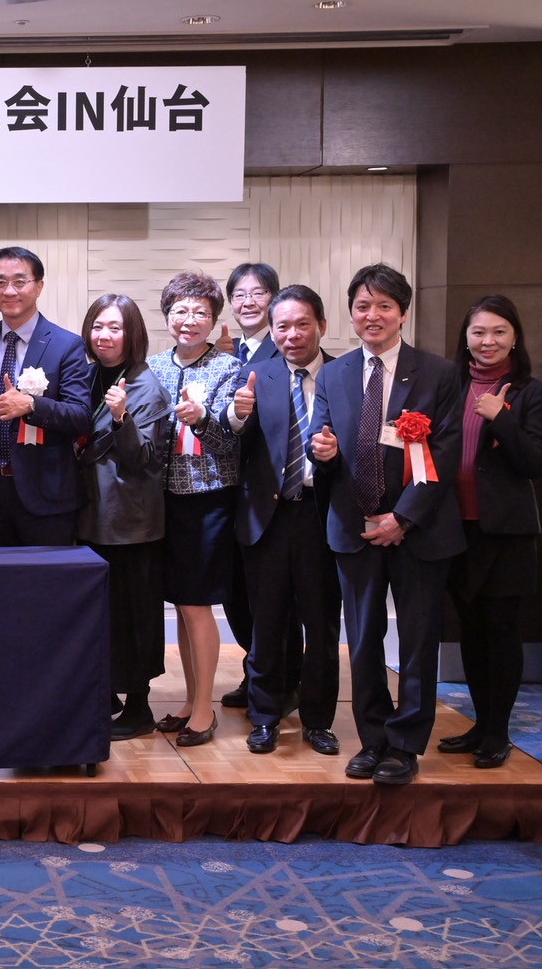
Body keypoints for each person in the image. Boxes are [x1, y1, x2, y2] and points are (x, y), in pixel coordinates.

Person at [310, 262, 465, 786]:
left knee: (418, 641)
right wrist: (322, 451)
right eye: (362, 306)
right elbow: (323, 441)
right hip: (354, 526)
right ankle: (373, 738)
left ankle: (405, 745)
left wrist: (402, 518)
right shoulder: (333, 373)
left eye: (383, 306)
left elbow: (445, 452)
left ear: (402, 313)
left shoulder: (438, 373)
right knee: (362, 641)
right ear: (351, 313)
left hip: (418, 530)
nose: (372, 315)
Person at [225, 285, 342, 756]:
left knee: (322, 626)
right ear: (271, 331)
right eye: (283, 326)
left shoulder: (344, 375)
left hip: (322, 517)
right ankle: (265, 717)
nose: (292, 335)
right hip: (267, 519)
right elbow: (235, 438)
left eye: (302, 324)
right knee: (267, 625)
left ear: (321, 326)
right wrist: (236, 416)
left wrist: (335, 456)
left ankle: (319, 721)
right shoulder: (256, 375)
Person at [438, 294, 542, 768]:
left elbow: (535, 462)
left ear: (514, 337)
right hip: (455, 527)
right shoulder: (449, 385)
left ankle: (498, 732)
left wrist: (501, 417)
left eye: (499, 332)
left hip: (505, 533)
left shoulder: (532, 392)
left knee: (501, 629)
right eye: (479, 332)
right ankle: (479, 723)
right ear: (465, 337)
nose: (488, 341)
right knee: (471, 629)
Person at [146, 270, 242, 748]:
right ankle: (190, 700)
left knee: (196, 604)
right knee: (181, 605)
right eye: (180, 311)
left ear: (214, 319)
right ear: (167, 316)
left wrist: (203, 419)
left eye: (200, 312)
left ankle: (205, 709)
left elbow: (231, 443)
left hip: (207, 500)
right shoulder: (152, 367)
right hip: (162, 500)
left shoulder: (229, 369)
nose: (189, 320)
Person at [75, 294, 171, 739]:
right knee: (104, 612)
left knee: (136, 615)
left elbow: (143, 458)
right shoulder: (89, 375)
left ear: (132, 334)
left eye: (115, 327)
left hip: (131, 522)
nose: (105, 335)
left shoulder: (145, 386)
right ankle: (109, 692)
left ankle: (139, 706)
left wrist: (121, 418)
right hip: (93, 514)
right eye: (98, 326)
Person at [0, 246, 91, 546]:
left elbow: (81, 416)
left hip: (46, 494)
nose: (9, 290)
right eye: (0, 282)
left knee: (48, 575)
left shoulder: (66, 345)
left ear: (39, 286)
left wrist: (32, 405)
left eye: (20, 281)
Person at [215, 261, 282, 710]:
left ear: (274, 299)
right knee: (236, 594)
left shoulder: (283, 352)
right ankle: (256, 669)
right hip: (226, 495)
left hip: (265, 495)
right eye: (239, 295)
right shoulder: (229, 353)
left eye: (258, 293)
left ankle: (280, 681)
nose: (248, 302)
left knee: (269, 598)